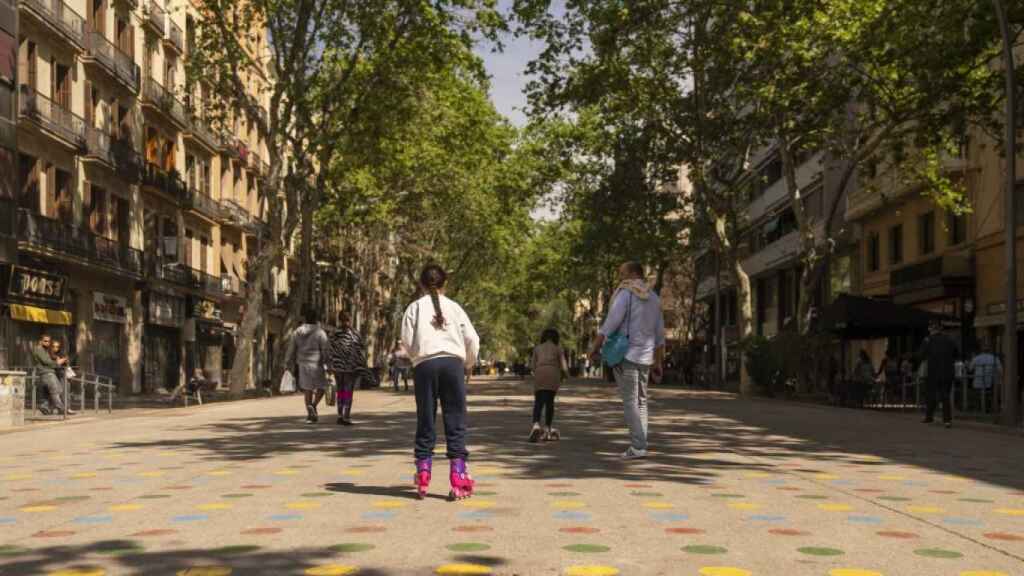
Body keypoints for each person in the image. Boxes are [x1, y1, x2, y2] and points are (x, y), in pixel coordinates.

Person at [401, 264, 480, 500]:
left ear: (421, 285)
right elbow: (472, 339)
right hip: (452, 365)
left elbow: (406, 339)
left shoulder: (413, 308)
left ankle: (423, 472)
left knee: (425, 418)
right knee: (455, 419)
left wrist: (419, 357)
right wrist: (468, 363)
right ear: (446, 284)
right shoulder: (455, 308)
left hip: (425, 365)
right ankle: (458, 475)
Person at [588, 262, 666, 460]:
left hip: (626, 356)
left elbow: (610, 324)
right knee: (641, 401)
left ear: (633, 274)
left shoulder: (626, 295)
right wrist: (658, 362)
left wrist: (595, 347)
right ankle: (641, 444)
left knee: (630, 401)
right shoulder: (654, 298)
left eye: (622, 274)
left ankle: (638, 445)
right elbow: (659, 335)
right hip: (646, 357)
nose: (620, 278)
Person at [285, 306, 330, 424]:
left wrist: (287, 361)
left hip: (302, 364)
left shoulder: (298, 331)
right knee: (322, 387)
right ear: (316, 319)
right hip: (317, 364)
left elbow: (291, 348)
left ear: (305, 318)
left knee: (307, 390)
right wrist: (328, 363)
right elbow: (325, 349)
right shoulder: (320, 332)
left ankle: (310, 415)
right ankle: (314, 406)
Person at [528, 328, 569, 442]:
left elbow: (532, 366)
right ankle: (547, 428)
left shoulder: (537, 348)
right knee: (549, 402)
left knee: (538, 401)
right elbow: (564, 367)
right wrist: (565, 376)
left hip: (540, 372)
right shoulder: (558, 349)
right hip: (553, 374)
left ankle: (536, 425)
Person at [917, 319, 959, 428]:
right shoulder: (950, 339)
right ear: (941, 328)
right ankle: (947, 420)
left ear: (931, 328)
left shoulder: (927, 340)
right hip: (948, 372)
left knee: (931, 394)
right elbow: (957, 353)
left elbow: (921, 355)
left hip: (933, 372)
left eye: (930, 327)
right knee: (945, 395)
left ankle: (929, 417)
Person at [329, 311, 368, 425]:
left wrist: (330, 364)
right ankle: (346, 415)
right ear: (349, 319)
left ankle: (340, 415)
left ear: (339, 320)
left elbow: (329, 348)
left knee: (341, 391)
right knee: (347, 391)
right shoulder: (354, 333)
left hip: (338, 367)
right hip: (350, 367)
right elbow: (362, 347)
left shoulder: (334, 333)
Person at [32, 334, 70, 416]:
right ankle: (61, 408)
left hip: (46, 373)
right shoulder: (39, 349)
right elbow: (46, 362)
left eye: (49, 341)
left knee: (48, 392)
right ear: (40, 341)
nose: (47, 343)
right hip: (47, 373)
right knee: (56, 390)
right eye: (45, 341)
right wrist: (58, 363)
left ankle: (44, 406)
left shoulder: (44, 350)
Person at [969, 341, 1002, 410]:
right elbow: (1000, 370)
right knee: (990, 395)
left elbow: (970, 369)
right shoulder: (995, 358)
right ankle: (989, 407)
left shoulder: (976, 358)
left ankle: (978, 408)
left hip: (978, 382)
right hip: (990, 382)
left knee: (977, 395)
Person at [48, 340, 76, 415]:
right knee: (55, 392)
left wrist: (63, 360)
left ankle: (67, 408)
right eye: (54, 346)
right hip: (53, 375)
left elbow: (65, 363)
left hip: (63, 374)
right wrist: (59, 361)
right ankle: (54, 408)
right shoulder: (48, 354)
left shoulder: (60, 354)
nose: (55, 348)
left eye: (57, 346)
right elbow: (54, 363)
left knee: (65, 391)